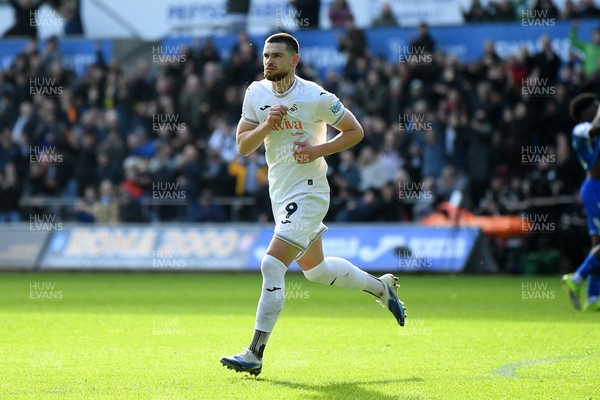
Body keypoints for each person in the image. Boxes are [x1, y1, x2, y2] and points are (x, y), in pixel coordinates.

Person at [220, 33, 406, 376]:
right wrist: (266, 125)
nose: (268, 62)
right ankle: (382, 288)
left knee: (271, 264)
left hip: (309, 192)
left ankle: (255, 353)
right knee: (316, 271)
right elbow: (244, 146)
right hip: (281, 193)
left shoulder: (314, 96)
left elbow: (355, 131)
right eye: (265, 55)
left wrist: (317, 150)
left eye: (276, 56)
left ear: (294, 61)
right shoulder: (255, 94)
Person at [562, 93, 600, 311]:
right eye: (595, 106)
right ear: (584, 113)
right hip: (594, 189)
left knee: (597, 245)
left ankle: (593, 298)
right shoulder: (580, 129)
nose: (597, 108)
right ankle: (575, 279)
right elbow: (595, 130)